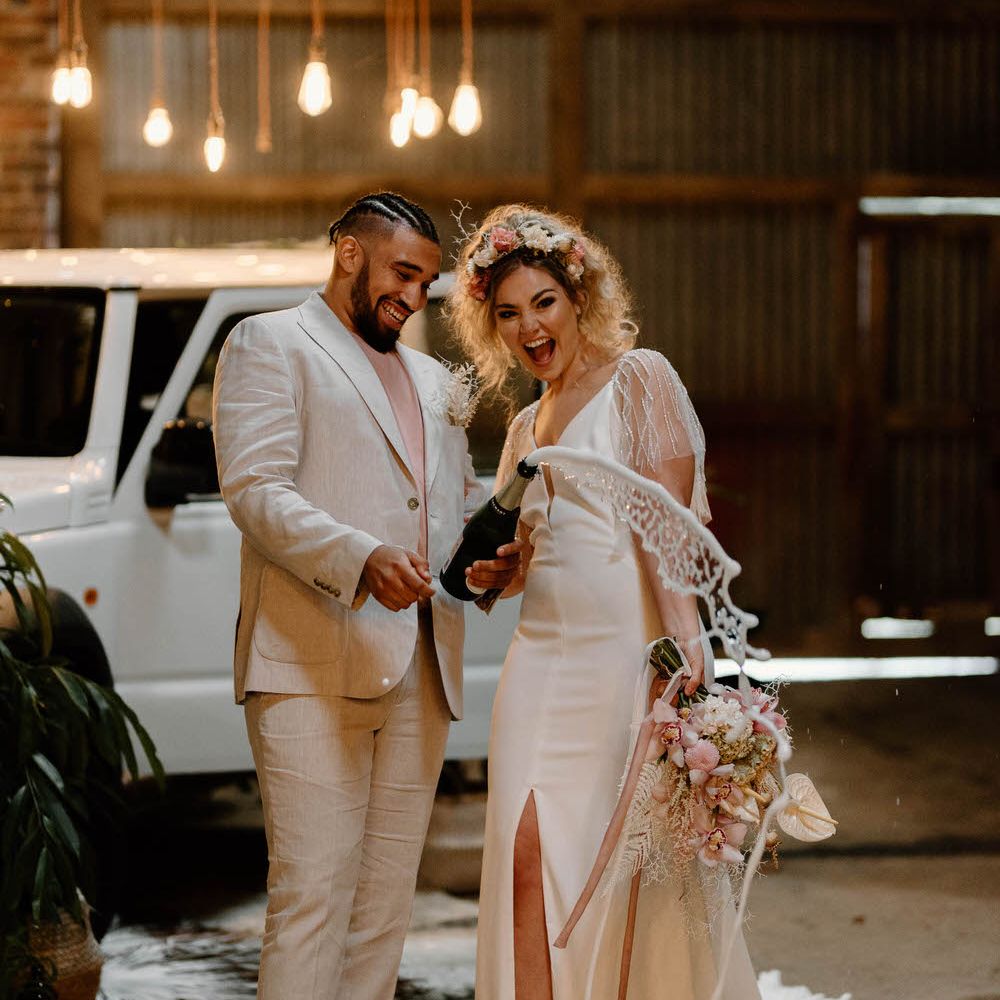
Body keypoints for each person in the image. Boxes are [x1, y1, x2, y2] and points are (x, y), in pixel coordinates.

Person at [212, 192, 520, 1000]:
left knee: (384, 914)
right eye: (403, 274)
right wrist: (360, 557)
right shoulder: (270, 344)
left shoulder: (429, 378)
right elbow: (254, 490)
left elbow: (446, 504)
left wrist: (476, 572)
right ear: (349, 251)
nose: (415, 298)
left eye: (426, 283)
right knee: (312, 899)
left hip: (421, 670)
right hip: (309, 666)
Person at [450, 205, 762, 999]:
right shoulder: (524, 425)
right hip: (536, 664)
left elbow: (669, 523)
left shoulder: (639, 379)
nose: (530, 327)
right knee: (523, 852)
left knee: (611, 867)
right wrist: (501, 573)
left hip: (620, 659)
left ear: (578, 295)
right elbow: (532, 548)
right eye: (509, 313)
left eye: (543, 303)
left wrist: (685, 644)